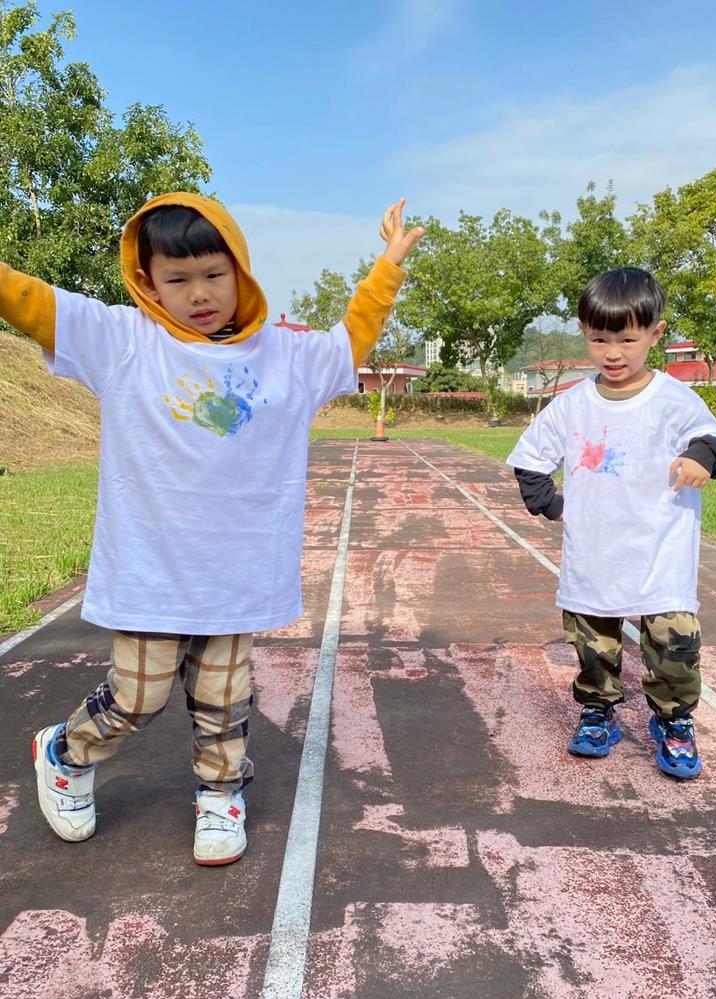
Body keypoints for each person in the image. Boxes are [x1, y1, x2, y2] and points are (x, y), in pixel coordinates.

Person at [0, 192, 423, 864]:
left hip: (237, 575)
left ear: (240, 271)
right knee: (137, 697)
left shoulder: (285, 357)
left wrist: (388, 266)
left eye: (213, 275)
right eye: (178, 279)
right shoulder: (124, 341)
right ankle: (66, 753)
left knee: (224, 699)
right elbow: (31, 302)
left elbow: (353, 337)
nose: (198, 294)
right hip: (150, 570)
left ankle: (221, 792)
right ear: (148, 283)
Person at [507, 267, 716, 779]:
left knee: (674, 644)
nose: (613, 353)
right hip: (594, 554)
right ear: (584, 333)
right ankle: (597, 711)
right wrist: (552, 504)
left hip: (662, 553)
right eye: (599, 339)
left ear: (656, 333)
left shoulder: (674, 400)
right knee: (593, 644)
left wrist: (701, 456)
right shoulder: (571, 405)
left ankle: (674, 721)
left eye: (627, 340)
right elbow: (530, 458)